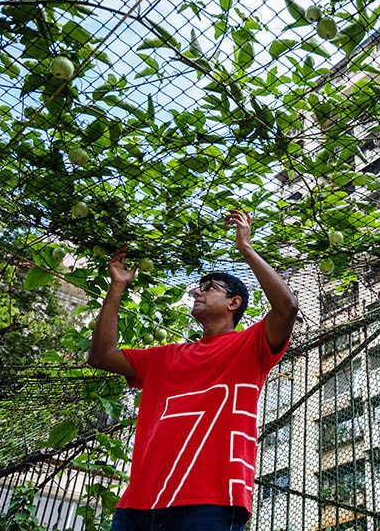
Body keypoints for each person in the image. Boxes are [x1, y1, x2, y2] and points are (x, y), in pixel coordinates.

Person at [87, 210, 298, 531]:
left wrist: (246, 248)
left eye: (209, 287)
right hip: (138, 506)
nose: (197, 292)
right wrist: (117, 287)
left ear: (234, 303)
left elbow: (287, 308)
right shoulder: (164, 357)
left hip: (210, 503)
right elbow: (101, 355)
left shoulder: (251, 345)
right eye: (197, 287)